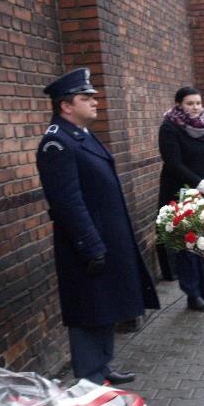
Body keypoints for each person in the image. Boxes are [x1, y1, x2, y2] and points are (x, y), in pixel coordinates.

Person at [36, 68, 160, 385]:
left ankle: (102, 366)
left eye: (93, 96)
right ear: (66, 105)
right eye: (85, 97)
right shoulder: (56, 143)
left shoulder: (81, 135)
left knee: (104, 305)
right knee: (88, 308)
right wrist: (90, 245)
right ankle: (89, 377)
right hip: (86, 243)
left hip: (105, 237)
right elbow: (68, 203)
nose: (94, 101)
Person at [158, 86, 204, 311]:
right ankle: (193, 295)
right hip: (181, 194)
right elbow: (173, 162)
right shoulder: (170, 127)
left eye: (198, 103)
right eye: (190, 103)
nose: (196, 107)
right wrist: (199, 183)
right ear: (179, 104)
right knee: (188, 246)